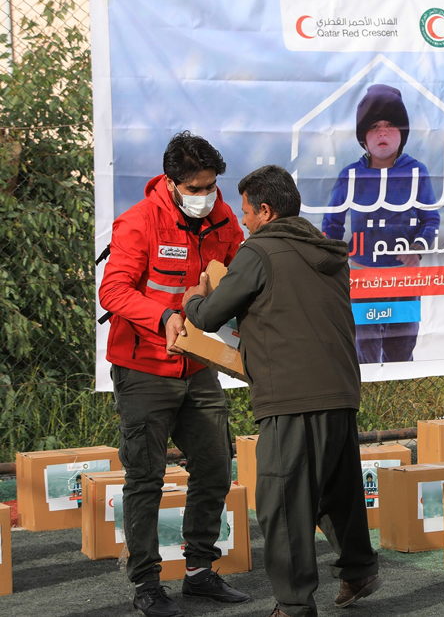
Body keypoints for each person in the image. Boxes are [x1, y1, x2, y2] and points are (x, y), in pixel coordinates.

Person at [184, 165, 381, 616]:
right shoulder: (324, 250)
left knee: (281, 501)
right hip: (340, 390)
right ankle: (359, 569)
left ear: (267, 211)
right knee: (337, 488)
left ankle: (292, 605)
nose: (245, 221)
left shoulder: (260, 250)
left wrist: (192, 299)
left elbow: (210, 315)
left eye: (248, 212)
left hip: (291, 395)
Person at [98, 131, 249, 617]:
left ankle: (200, 571)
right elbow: (113, 292)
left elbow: (239, 283)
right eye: (197, 188)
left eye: (212, 187)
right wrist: (163, 317)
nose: (207, 197)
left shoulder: (226, 221)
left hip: (200, 365)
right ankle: (145, 582)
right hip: (144, 367)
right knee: (146, 476)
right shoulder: (138, 222)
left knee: (215, 465)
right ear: (172, 182)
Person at [322, 84, 441, 364]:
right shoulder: (350, 175)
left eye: (390, 125)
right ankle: (368, 401)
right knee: (363, 350)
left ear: (403, 133)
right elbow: (332, 226)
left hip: (404, 278)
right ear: (363, 136)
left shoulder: (416, 171)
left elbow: (430, 219)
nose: (383, 132)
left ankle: (400, 399)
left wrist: (417, 247)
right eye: (374, 126)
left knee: (402, 346)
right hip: (362, 278)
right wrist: (336, 263)